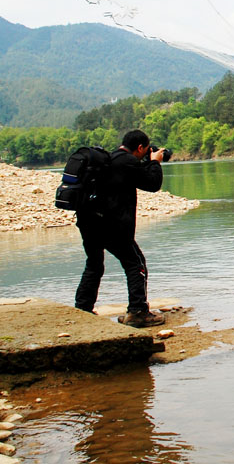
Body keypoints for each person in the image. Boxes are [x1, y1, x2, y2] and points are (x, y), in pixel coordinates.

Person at [74, 129, 168, 327]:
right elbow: (153, 184)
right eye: (145, 150)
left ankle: (82, 310)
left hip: (88, 222)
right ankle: (138, 312)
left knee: (94, 264)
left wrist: (147, 161)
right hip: (111, 226)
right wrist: (155, 162)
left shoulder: (109, 160)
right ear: (140, 147)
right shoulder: (127, 162)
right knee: (136, 264)